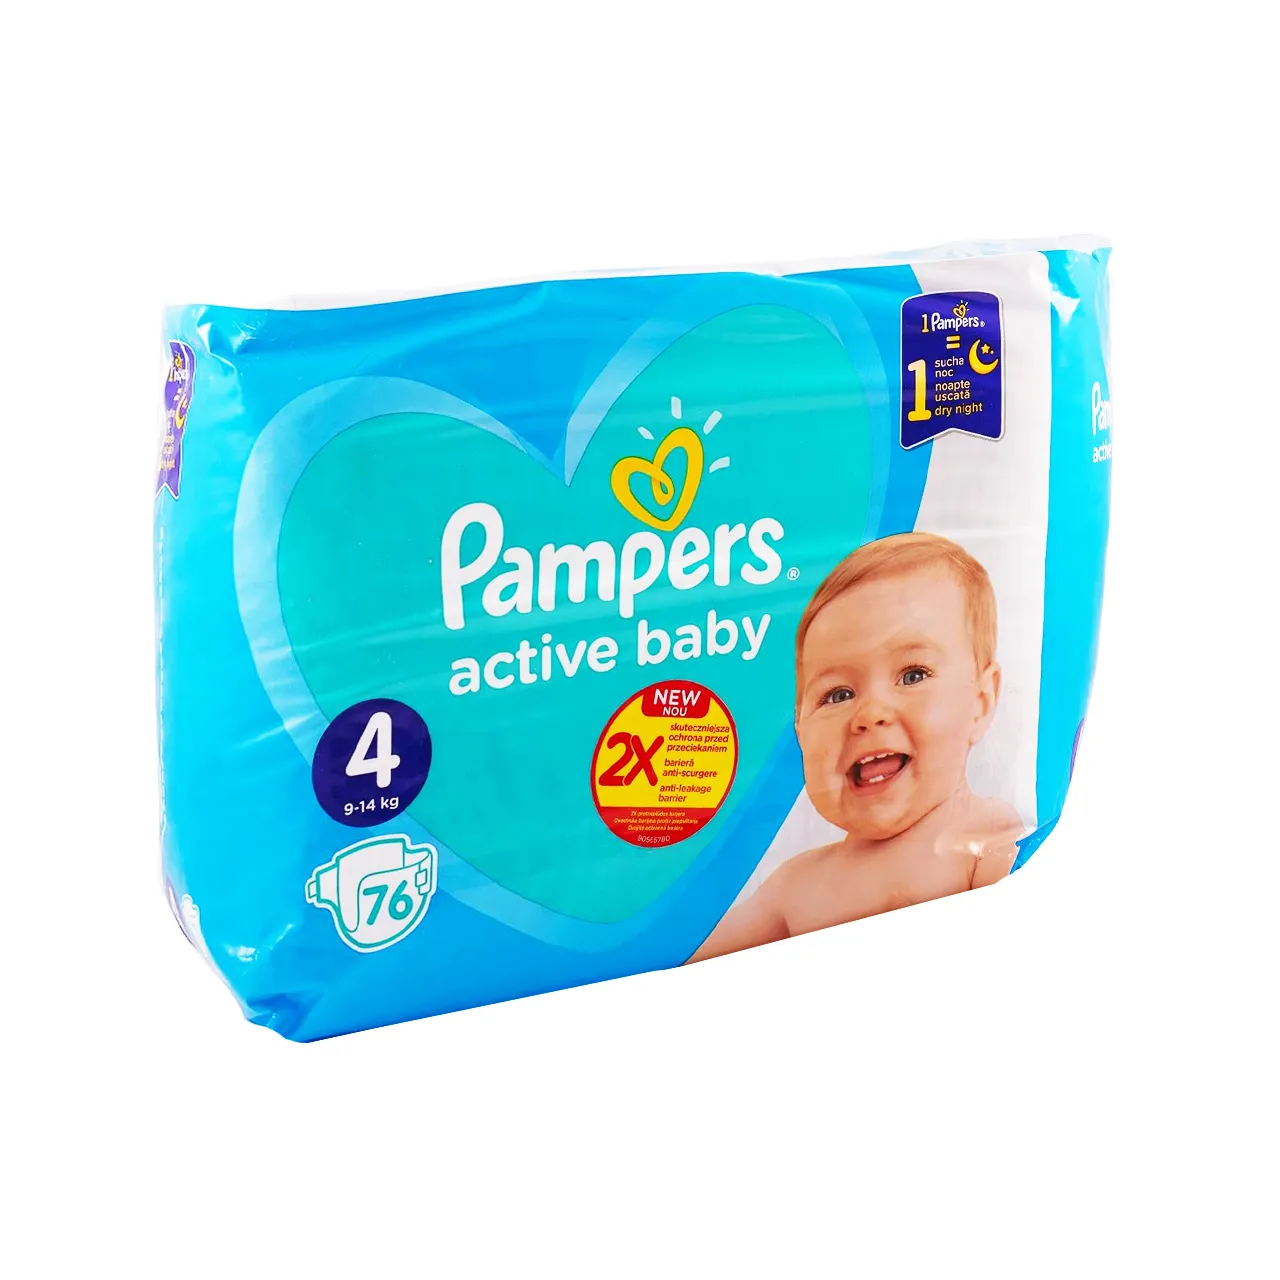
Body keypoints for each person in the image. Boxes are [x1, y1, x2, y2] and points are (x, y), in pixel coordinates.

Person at [691, 533, 1023, 962]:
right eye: (838, 694)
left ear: (981, 701)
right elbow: (684, 954)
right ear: (799, 730)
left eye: (913, 675)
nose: (870, 714)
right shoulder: (794, 887)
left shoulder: (983, 833)